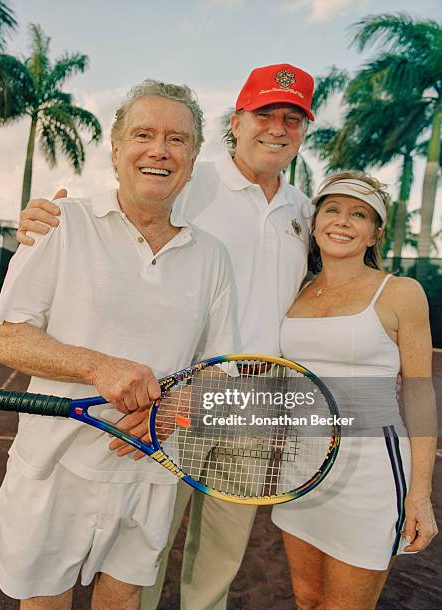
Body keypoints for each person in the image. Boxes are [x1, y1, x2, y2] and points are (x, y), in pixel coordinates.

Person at [16, 63, 315, 610]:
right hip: (175, 394)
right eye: (264, 114)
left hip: (250, 398)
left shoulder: (304, 210)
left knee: (221, 555)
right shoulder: (189, 175)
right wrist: (43, 217)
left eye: (292, 119)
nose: (277, 128)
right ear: (238, 121)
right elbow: (125, 201)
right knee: (141, 550)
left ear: (303, 131)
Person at [0, 80, 237, 610]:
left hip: (149, 468)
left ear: (192, 159)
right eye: (143, 134)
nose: (160, 150)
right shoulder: (61, 223)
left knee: (121, 603)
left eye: (178, 139)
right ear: (116, 149)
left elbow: (219, 369)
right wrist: (97, 366)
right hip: (52, 468)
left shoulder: (212, 255)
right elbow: (6, 337)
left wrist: (174, 411)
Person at [271, 171, 437, 609]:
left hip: (370, 477)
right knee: (307, 600)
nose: (343, 221)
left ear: (374, 232)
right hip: (301, 469)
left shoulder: (401, 292)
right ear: (315, 222)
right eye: (333, 209)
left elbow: (419, 394)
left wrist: (420, 494)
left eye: (359, 214)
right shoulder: (297, 293)